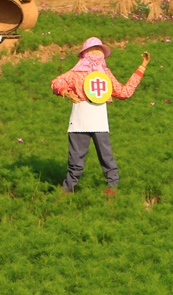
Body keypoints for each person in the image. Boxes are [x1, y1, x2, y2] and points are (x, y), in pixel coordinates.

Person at [51, 37, 150, 193]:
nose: (96, 53)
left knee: (106, 156)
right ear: (84, 53)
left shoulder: (106, 75)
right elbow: (57, 82)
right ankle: (67, 190)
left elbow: (124, 92)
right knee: (75, 160)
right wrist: (65, 92)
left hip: (99, 121)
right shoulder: (76, 73)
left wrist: (142, 67)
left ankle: (112, 188)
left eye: (99, 51)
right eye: (93, 50)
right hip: (79, 120)